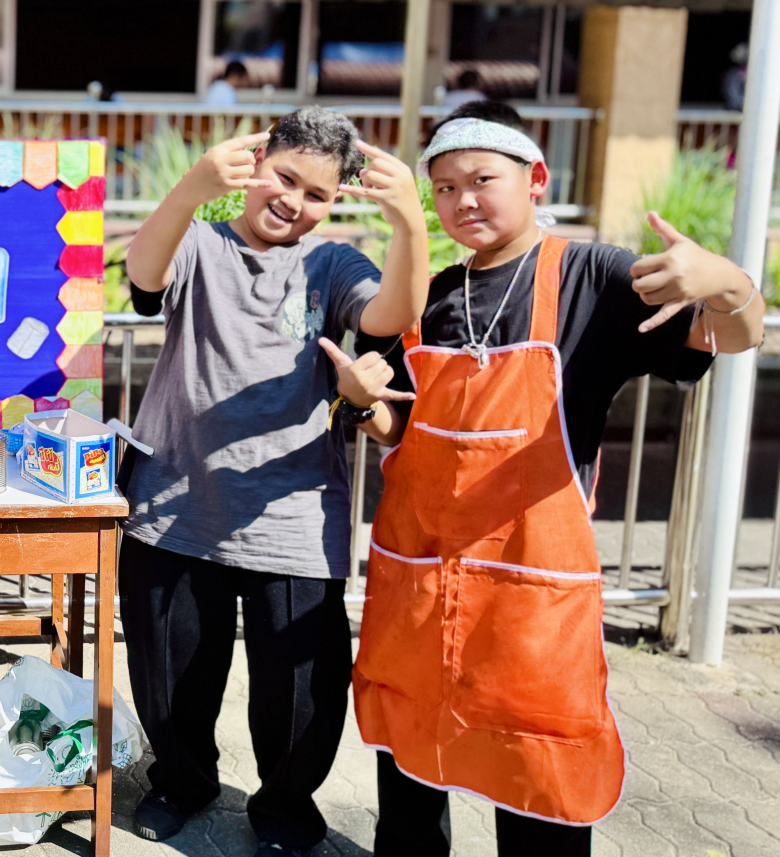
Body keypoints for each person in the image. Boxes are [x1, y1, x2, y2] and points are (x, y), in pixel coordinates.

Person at [327, 101, 764, 856]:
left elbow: (731, 337)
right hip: (422, 587)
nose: (463, 200)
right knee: (410, 774)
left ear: (536, 179)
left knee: (538, 776)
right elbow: (403, 426)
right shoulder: (432, 296)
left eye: (482, 180)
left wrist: (727, 284)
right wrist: (363, 405)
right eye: (445, 187)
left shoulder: (594, 278)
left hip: (530, 604)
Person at [120, 106, 430, 856]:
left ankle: (287, 811)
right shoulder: (199, 242)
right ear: (255, 164)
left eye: (317, 194)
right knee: (171, 675)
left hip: (293, 515)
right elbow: (144, 276)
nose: (293, 201)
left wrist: (410, 226)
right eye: (284, 177)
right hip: (175, 506)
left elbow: (390, 314)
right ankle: (182, 782)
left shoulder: (334, 265)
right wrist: (192, 188)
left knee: (301, 694)